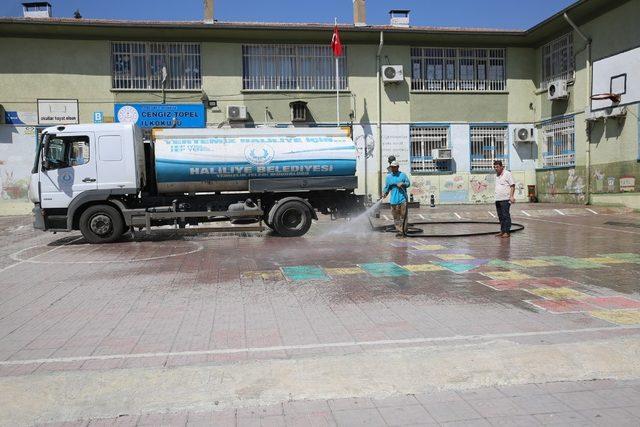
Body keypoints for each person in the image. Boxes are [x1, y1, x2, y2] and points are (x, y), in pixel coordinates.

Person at [382, 160, 410, 237]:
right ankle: (399, 231)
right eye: (392, 167)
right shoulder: (388, 177)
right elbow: (387, 187)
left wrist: (403, 184)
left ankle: (404, 231)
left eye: (394, 167)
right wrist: (384, 193)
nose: (393, 168)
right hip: (393, 201)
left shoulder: (402, 175)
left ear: (397, 167)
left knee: (404, 216)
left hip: (402, 199)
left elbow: (408, 183)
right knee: (396, 217)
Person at [493, 160, 515, 238]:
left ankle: (507, 232)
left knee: (506, 215)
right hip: (498, 199)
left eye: (497, 167)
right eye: (495, 167)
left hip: (505, 199)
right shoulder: (497, 175)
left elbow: (512, 185)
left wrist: (511, 196)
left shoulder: (507, 174)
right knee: (500, 216)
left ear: (502, 167)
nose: (496, 168)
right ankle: (502, 231)